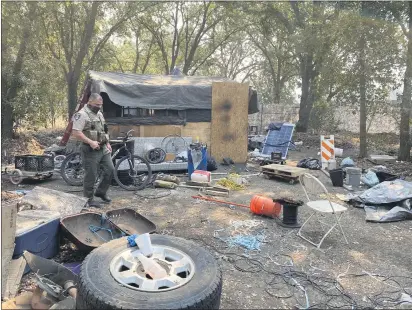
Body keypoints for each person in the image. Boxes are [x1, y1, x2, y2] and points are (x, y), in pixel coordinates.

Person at [71, 93, 114, 207]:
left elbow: (103, 130)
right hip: (89, 149)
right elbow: (76, 132)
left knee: (110, 170)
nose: (99, 107)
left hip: (103, 148)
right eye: (96, 104)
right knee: (91, 175)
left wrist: (108, 143)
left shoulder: (99, 114)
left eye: (100, 105)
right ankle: (88, 200)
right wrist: (91, 142)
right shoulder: (81, 115)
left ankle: (101, 192)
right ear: (89, 102)